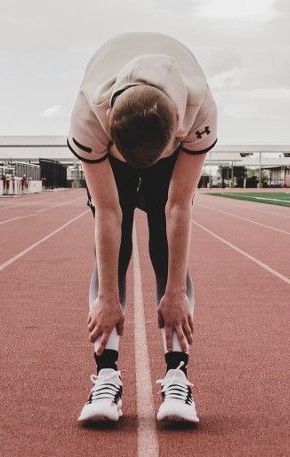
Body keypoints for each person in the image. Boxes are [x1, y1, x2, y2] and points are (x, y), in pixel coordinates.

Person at [67, 32, 218, 424]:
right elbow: (109, 210)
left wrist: (174, 293)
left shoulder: (200, 113)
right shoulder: (89, 116)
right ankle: (106, 376)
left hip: (166, 147)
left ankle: (177, 375)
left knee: (165, 253)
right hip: (114, 146)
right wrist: (108, 298)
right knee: (111, 260)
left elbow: (178, 206)